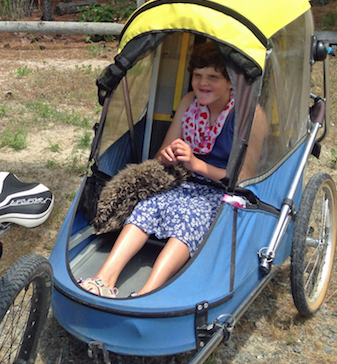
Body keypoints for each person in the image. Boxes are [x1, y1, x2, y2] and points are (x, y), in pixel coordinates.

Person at [80, 42, 264, 298]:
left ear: (231, 82)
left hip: (224, 191)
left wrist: (196, 164)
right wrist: (167, 156)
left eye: (213, 77)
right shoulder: (190, 102)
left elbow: (245, 177)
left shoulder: (249, 115)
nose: (203, 83)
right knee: (147, 206)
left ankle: (148, 292)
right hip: (184, 180)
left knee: (189, 219)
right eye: (198, 76)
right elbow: (161, 154)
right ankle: (103, 279)